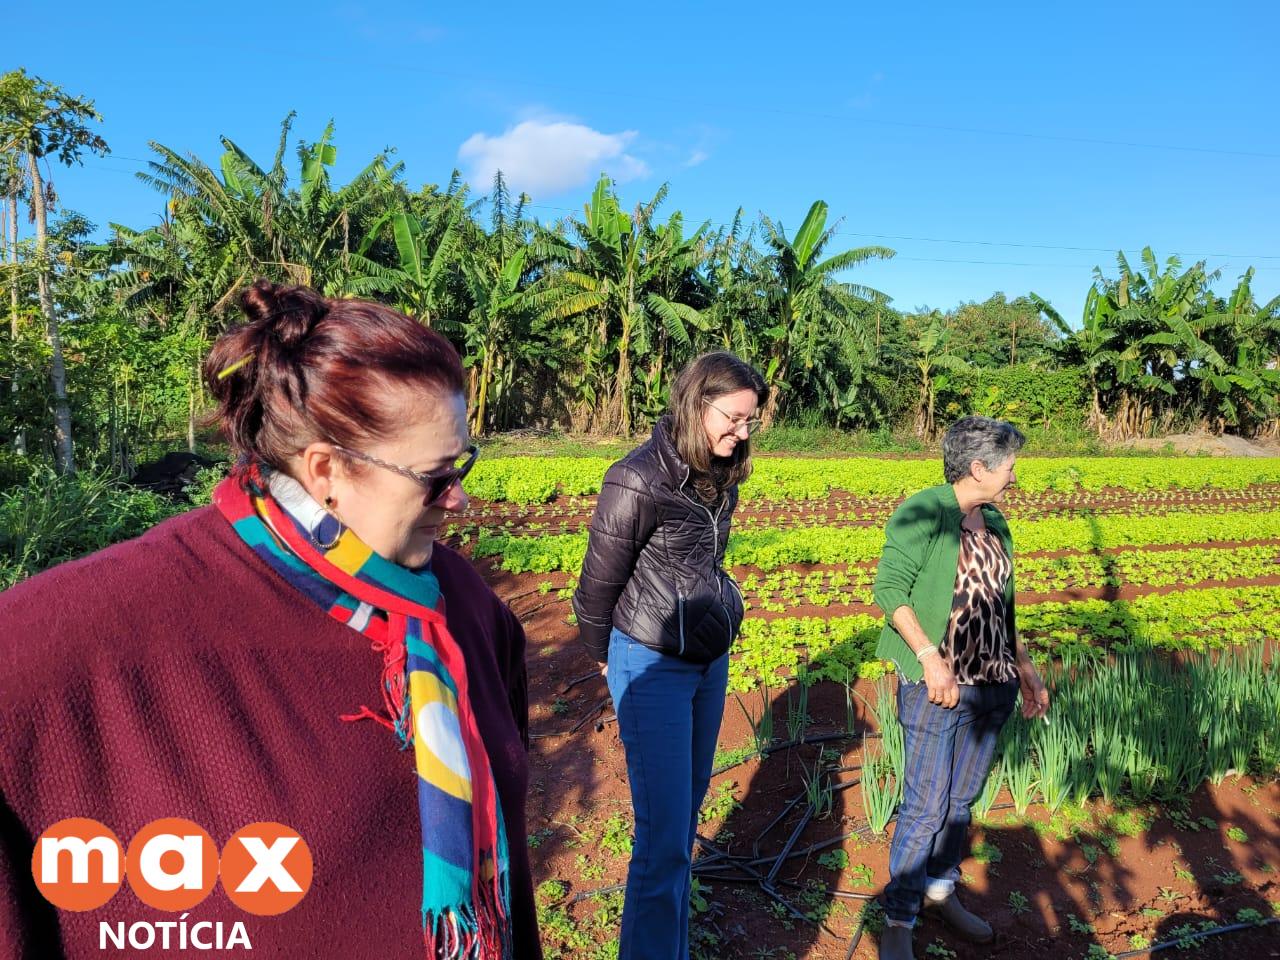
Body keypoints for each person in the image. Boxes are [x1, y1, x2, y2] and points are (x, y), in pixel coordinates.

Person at [0, 280, 541, 959]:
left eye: (463, 462)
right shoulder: (104, 627)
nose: (458, 498)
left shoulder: (459, 606)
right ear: (326, 472)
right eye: (435, 476)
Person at [572, 352, 765, 960]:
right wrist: (609, 661)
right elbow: (595, 588)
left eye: (750, 422)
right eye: (733, 418)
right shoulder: (636, 478)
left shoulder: (719, 471)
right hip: (651, 663)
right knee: (662, 839)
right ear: (696, 402)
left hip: (707, 660)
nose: (741, 432)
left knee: (684, 820)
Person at [871, 416, 1050, 960]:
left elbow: (1002, 606)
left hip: (991, 686)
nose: (1015, 477)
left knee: (960, 802)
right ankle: (899, 919)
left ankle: (941, 892)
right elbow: (888, 589)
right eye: (1010, 466)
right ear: (979, 468)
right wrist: (930, 657)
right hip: (938, 688)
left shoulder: (994, 521)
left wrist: (1025, 668)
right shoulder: (924, 510)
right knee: (925, 806)